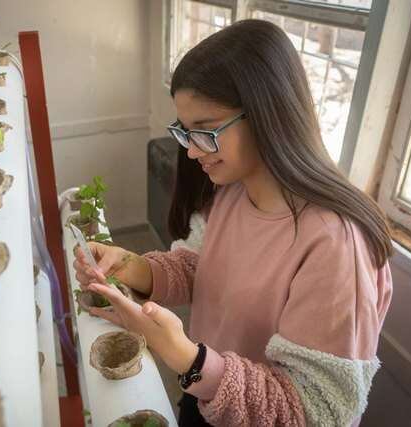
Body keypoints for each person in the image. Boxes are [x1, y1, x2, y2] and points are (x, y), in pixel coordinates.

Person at [74, 19, 392, 426]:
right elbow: (201, 268)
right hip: (206, 395)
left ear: (266, 114)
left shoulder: (337, 244)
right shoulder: (232, 190)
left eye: (205, 131)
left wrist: (186, 358)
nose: (191, 152)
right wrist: (130, 266)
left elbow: (317, 410)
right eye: (185, 132)